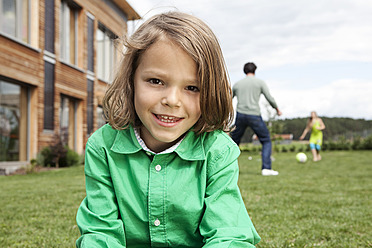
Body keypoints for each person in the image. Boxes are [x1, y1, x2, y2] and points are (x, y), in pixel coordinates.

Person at [76, 11, 260, 247]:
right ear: (131, 79)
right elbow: (100, 233)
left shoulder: (218, 151)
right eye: (156, 81)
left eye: (192, 87)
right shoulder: (102, 147)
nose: (172, 100)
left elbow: (228, 234)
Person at [231, 62, 282, 176]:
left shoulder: (238, 84)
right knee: (266, 140)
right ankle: (266, 169)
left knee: (233, 143)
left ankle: (226, 169)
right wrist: (277, 108)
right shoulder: (260, 83)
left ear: (244, 71)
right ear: (255, 70)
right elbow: (269, 97)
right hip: (254, 115)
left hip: (240, 115)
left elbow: (229, 98)